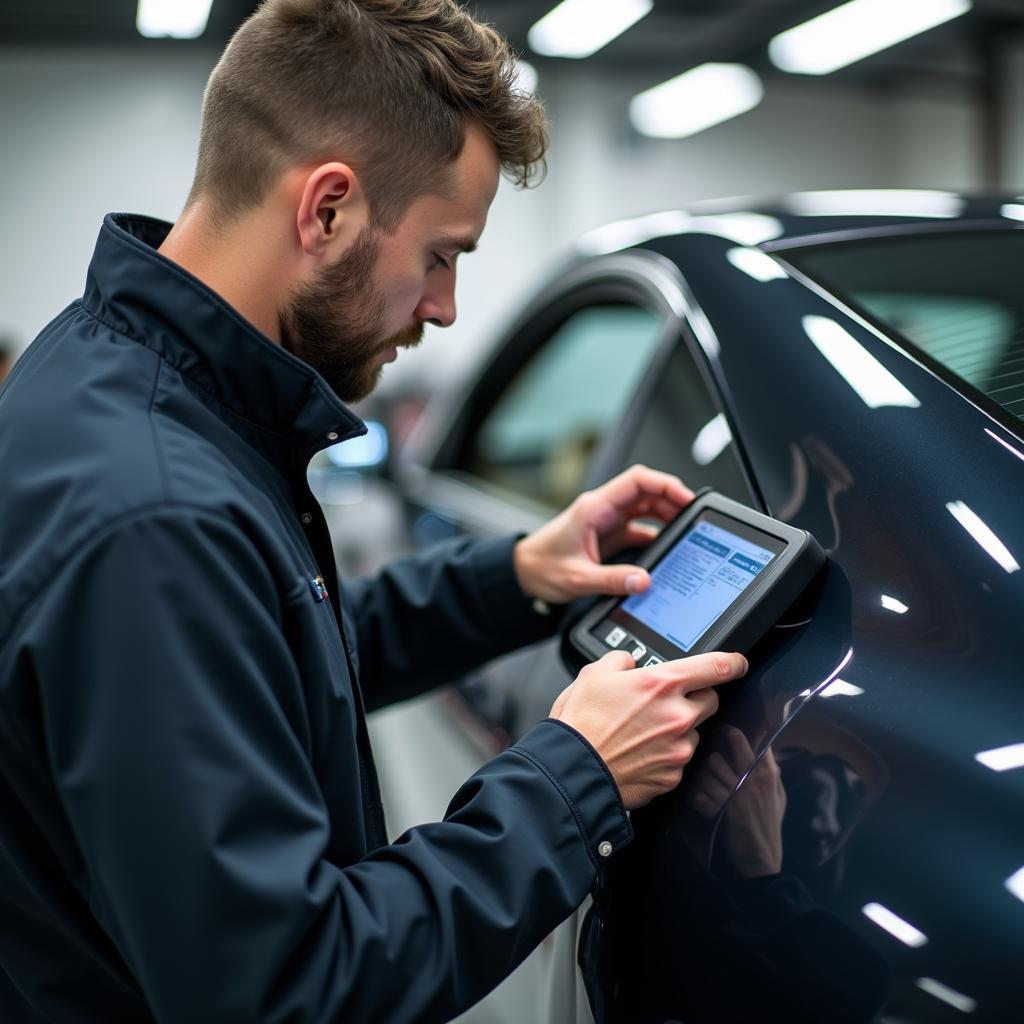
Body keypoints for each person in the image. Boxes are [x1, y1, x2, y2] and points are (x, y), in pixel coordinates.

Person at [0, 2, 748, 1022]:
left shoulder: (117, 370)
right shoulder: (157, 515)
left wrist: (513, 575)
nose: (443, 308)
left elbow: (260, 661)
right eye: (443, 255)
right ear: (328, 211)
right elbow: (288, 992)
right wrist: (574, 779)